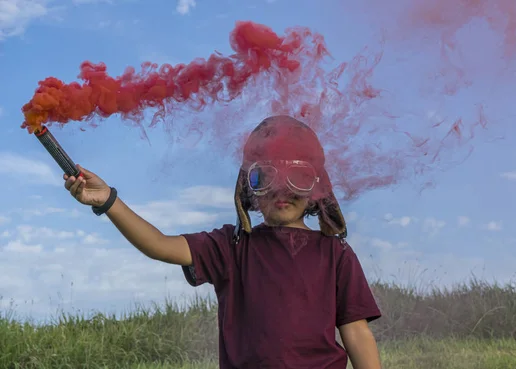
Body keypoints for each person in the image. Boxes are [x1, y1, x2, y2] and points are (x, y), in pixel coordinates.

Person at [63, 115, 383, 369]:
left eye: (296, 178)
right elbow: (158, 244)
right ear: (248, 187)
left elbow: (355, 331)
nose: (280, 192)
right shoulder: (232, 247)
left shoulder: (335, 253)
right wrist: (108, 200)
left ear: (315, 187)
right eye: (265, 178)